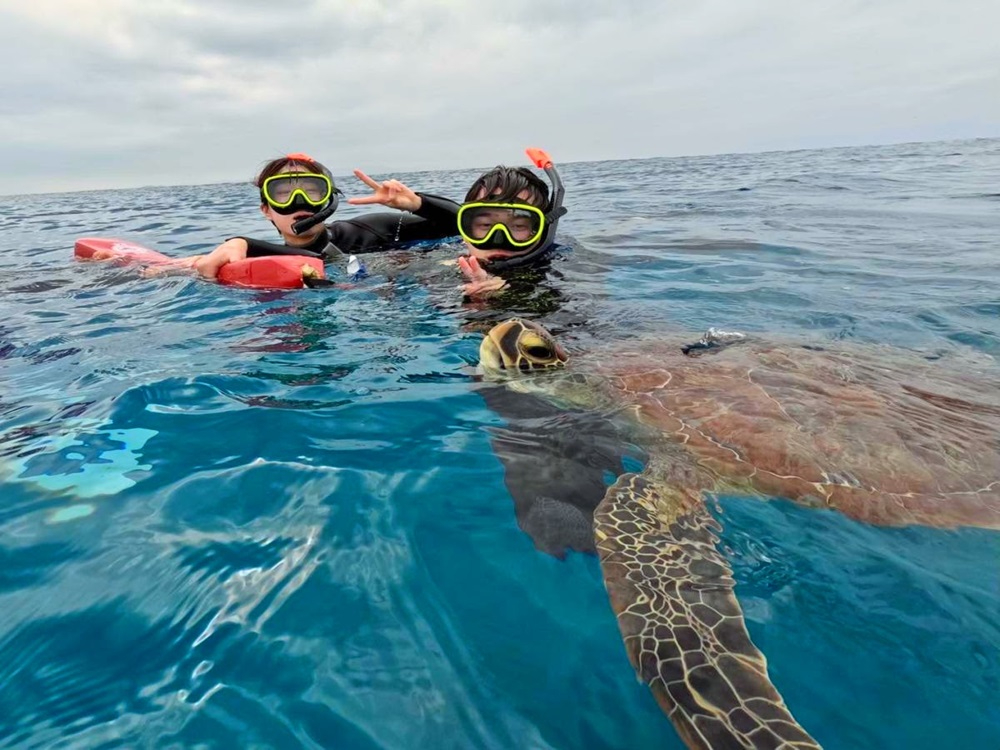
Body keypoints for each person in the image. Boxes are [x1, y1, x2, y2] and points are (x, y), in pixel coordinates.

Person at [158, 152, 461, 279]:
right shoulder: (251, 261)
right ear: (266, 210)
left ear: (329, 199)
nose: (298, 201)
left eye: (312, 190)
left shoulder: (369, 231)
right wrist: (240, 245)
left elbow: (467, 225)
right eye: (283, 193)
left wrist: (417, 203)